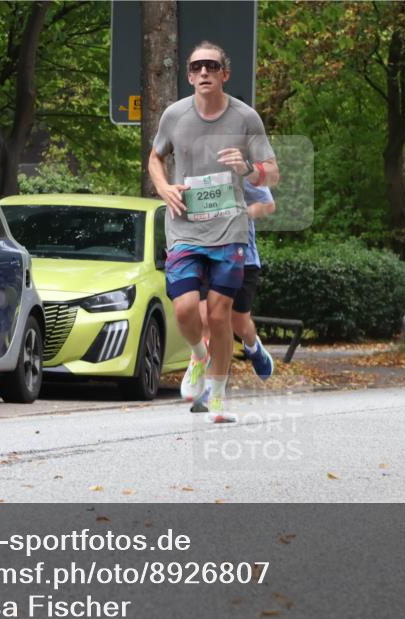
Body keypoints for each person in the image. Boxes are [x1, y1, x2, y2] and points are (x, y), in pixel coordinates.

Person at [148, 41, 279, 424]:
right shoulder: (174, 116)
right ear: (189, 75)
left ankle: (218, 398)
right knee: (186, 308)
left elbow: (272, 173)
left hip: (229, 229)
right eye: (197, 67)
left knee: (220, 316)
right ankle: (199, 358)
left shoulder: (246, 118)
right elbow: (156, 157)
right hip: (186, 228)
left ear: (225, 74)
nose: (204, 72)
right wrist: (163, 187)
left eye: (212, 66)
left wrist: (247, 167)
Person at [196, 179, 277, 394]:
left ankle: (253, 347)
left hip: (243, 258)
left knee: (239, 322)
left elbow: (268, 204)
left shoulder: (240, 167)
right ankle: (208, 385)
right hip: (208, 255)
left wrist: (240, 214)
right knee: (206, 317)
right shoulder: (196, 167)